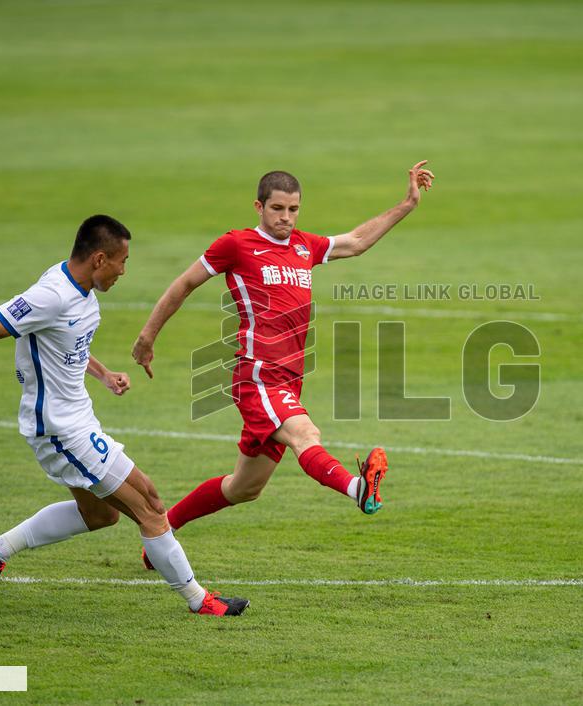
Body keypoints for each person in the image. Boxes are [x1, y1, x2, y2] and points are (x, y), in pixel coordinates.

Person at [0, 215, 248, 617]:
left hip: (78, 420)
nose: (123, 271)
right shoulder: (51, 295)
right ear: (99, 259)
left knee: (100, 515)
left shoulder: (80, 290)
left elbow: (66, 344)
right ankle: (199, 601)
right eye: (121, 261)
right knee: (149, 505)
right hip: (60, 430)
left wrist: (104, 374)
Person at [131, 162, 434, 565]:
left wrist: (407, 204)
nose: (286, 218)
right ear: (259, 206)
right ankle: (358, 489)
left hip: (289, 380)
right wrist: (147, 336)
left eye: (293, 209)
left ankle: (161, 534)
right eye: (277, 209)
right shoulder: (236, 244)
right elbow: (184, 283)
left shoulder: (304, 246)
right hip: (258, 375)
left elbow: (357, 241)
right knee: (306, 434)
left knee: (243, 488)